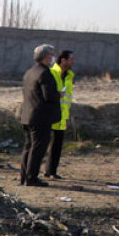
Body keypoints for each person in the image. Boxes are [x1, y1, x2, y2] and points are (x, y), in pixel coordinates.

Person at [19, 43, 61, 187]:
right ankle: (31, 178)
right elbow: (48, 96)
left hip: (27, 115)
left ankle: (23, 177)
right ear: (46, 56)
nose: (52, 57)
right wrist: (59, 94)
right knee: (38, 148)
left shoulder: (29, 72)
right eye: (51, 55)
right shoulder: (44, 73)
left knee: (28, 147)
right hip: (40, 117)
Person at [44, 50, 75, 179]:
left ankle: (51, 171)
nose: (73, 62)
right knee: (43, 144)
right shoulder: (51, 73)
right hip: (49, 114)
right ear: (63, 60)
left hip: (61, 116)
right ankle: (36, 172)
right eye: (71, 59)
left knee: (57, 145)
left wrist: (66, 118)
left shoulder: (69, 76)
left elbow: (67, 99)